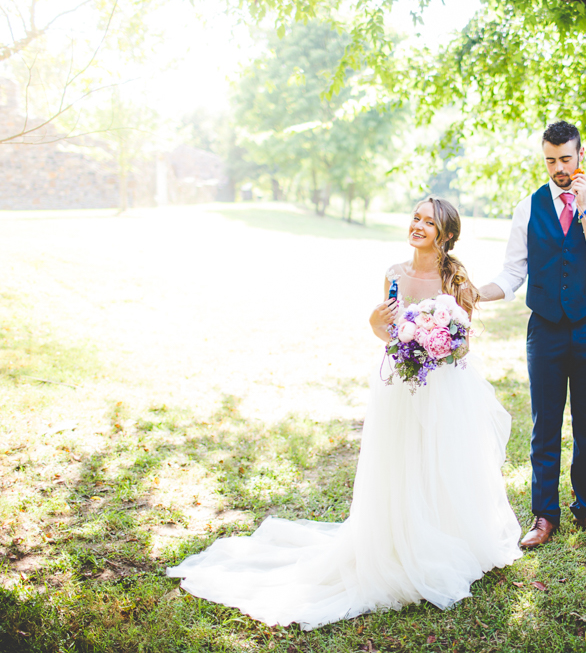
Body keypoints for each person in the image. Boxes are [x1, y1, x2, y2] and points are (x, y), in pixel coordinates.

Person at [167, 198, 522, 630]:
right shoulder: (394, 274)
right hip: (399, 384)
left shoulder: (457, 281)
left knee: (442, 459)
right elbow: (386, 331)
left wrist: (439, 342)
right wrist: (377, 323)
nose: (418, 226)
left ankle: (446, 537)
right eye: (415, 218)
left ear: (446, 235)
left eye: (429, 223)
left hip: (446, 386)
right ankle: (398, 542)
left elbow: (463, 342)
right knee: (401, 461)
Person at [477, 120, 586, 548]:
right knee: (545, 424)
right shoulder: (528, 207)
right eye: (550, 160)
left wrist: (584, 210)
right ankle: (544, 516)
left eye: (565, 159)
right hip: (544, 328)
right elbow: (513, 271)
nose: (558, 168)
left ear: (582, 155)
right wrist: (477, 294)